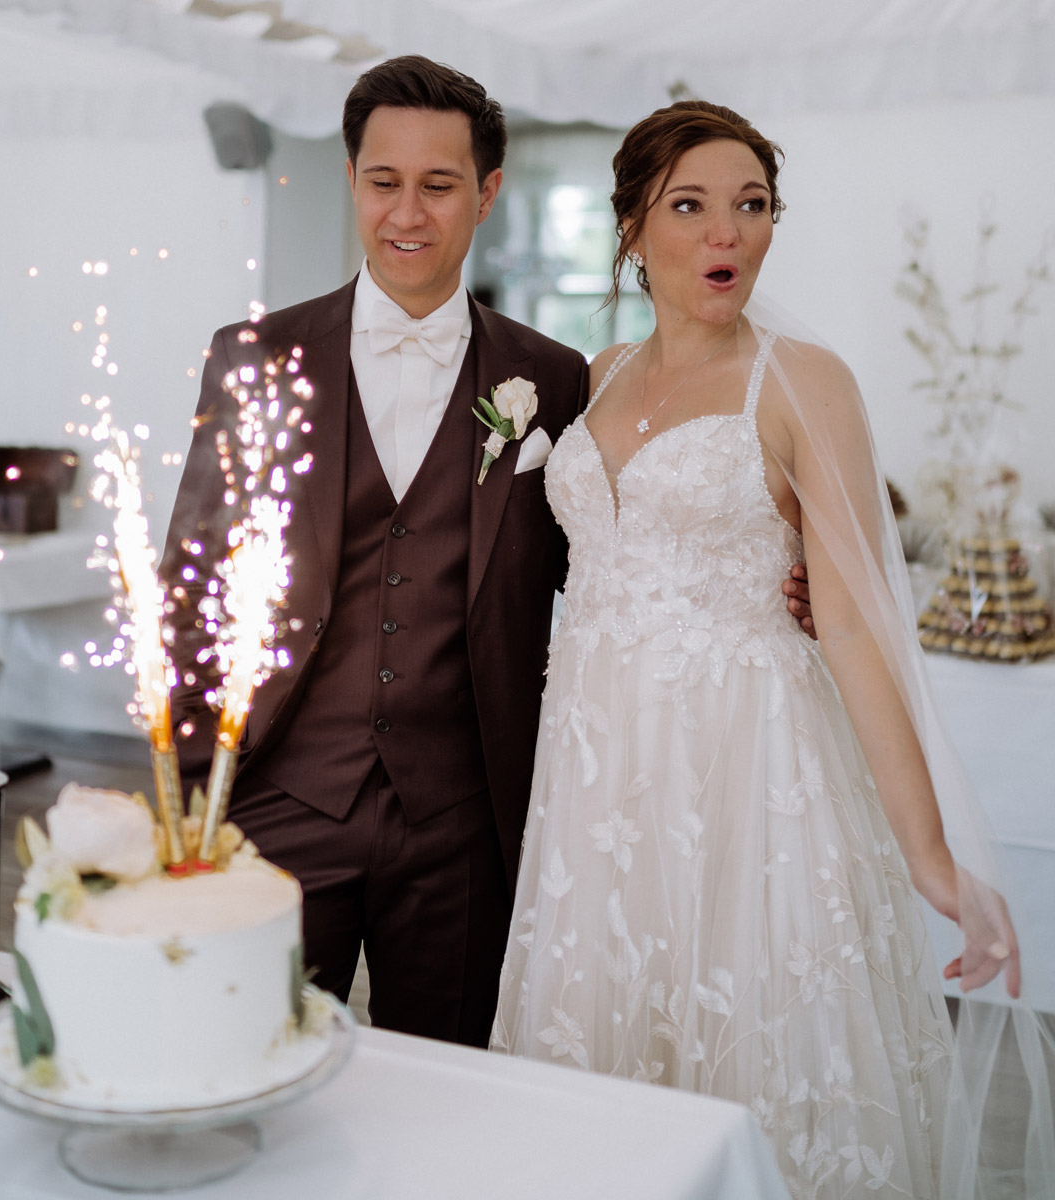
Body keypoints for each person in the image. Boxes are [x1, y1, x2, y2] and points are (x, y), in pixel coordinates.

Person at [161, 60, 811, 1050]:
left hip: (466, 821)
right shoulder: (256, 359)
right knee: (242, 1059)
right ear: (351, 180)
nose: (408, 212)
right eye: (384, 181)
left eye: (440, 184)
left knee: (455, 1092)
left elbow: (608, 551)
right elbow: (191, 593)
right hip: (281, 803)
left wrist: (780, 580)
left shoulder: (549, 377)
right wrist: (184, 806)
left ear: (488, 193)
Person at [491, 101, 1053, 1197]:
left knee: (750, 1046)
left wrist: (932, 855)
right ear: (631, 229)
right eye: (691, 207)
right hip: (596, 780)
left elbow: (847, 621)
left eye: (752, 207)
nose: (727, 236)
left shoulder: (804, 382)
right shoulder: (594, 374)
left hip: (745, 772)